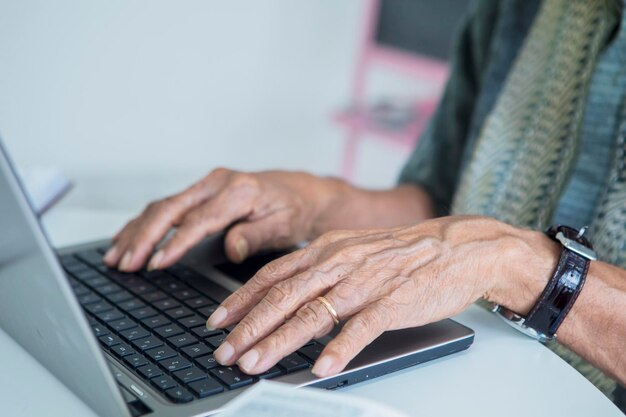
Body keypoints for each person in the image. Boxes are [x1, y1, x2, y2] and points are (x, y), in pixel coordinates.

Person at [104, 0, 626, 410]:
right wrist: (315, 203)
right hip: (460, 373)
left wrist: (522, 265)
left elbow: (477, 249)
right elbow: (440, 200)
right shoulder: (514, 8)